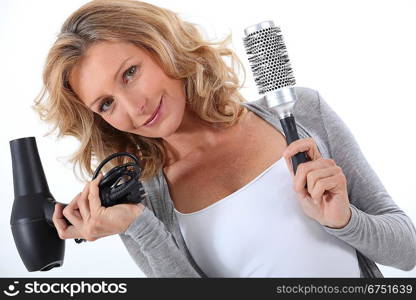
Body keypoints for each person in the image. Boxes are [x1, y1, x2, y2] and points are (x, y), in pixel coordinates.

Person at [33, 0, 416, 277]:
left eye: (130, 72)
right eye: (106, 104)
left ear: (163, 48)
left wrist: (344, 220)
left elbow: (407, 250)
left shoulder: (301, 111)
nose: (134, 107)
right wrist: (137, 225)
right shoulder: (141, 204)